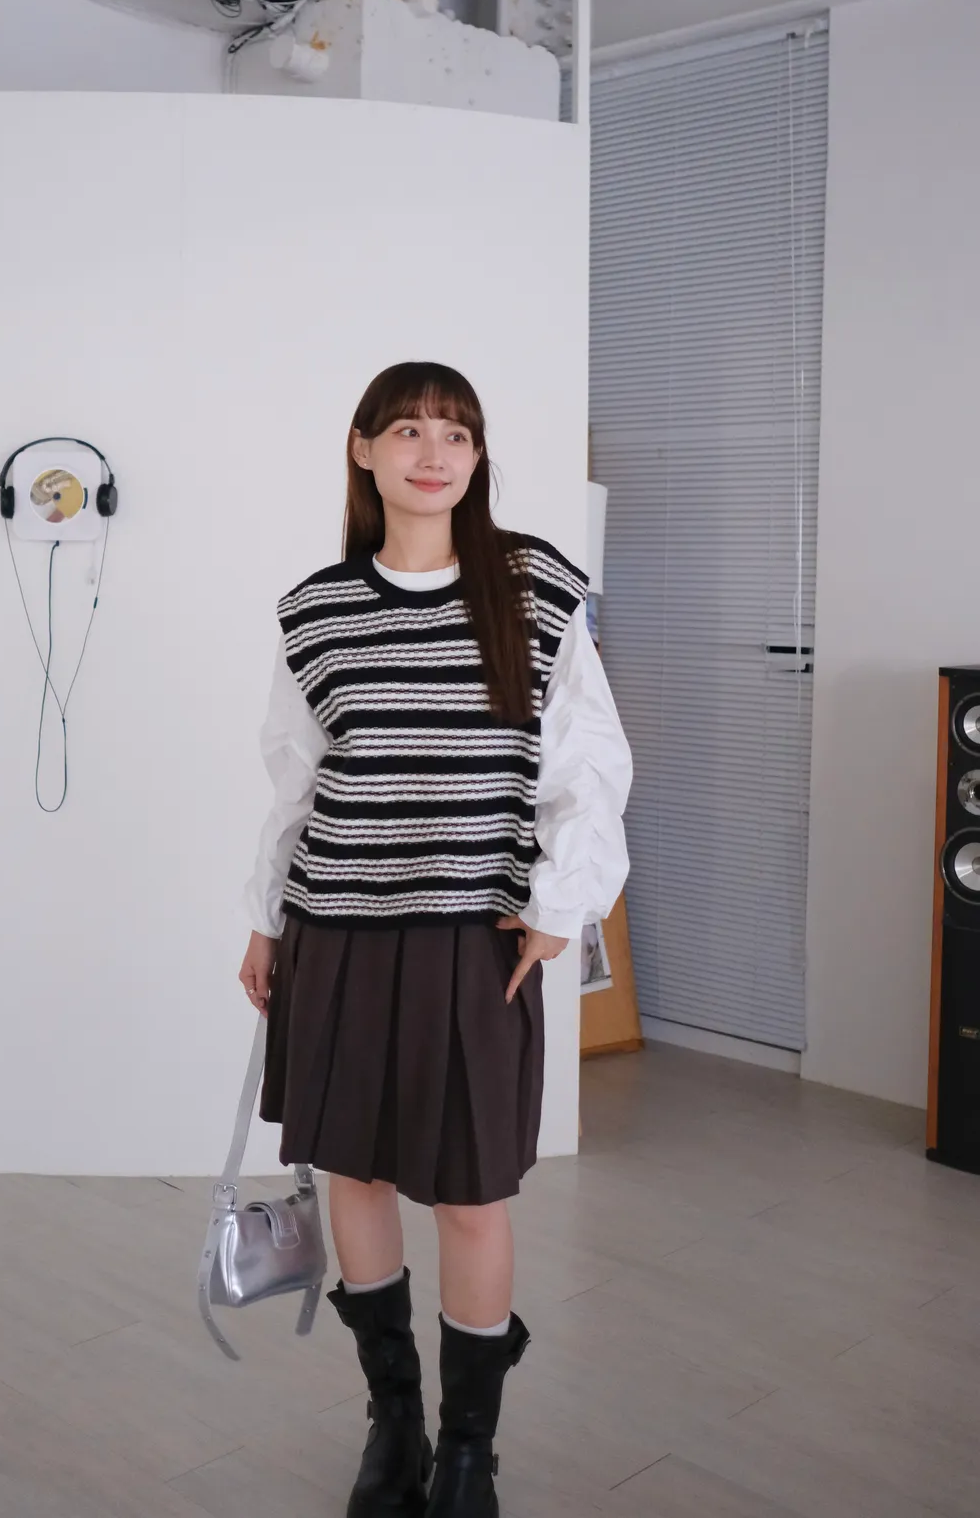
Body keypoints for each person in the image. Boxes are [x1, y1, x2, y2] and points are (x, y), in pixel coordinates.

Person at [238, 361, 631, 1518]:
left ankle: (469, 1451)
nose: (433, 452)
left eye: (456, 432)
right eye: (407, 429)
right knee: (356, 1174)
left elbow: (590, 763)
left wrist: (562, 905)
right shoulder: (317, 611)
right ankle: (394, 1423)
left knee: (469, 1193)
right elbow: (296, 780)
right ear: (363, 449)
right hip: (338, 935)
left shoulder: (533, 588)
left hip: (473, 942)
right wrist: (265, 920)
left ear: (477, 455)